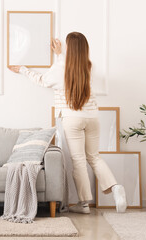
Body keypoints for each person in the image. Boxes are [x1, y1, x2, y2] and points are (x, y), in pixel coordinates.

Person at [9, 32, 127, 213]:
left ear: (68, 48)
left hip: (72, 118)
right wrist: (59, 55)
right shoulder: (89, 67)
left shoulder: (60, 68)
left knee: (79, 160)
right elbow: (72, 68)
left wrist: (23, 69)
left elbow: (43, 80)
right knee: (94, 157)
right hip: (93, 117)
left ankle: (84, 203)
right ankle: (115, 187)